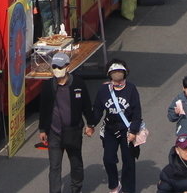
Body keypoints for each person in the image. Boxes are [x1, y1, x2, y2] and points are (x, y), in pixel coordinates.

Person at [39, 52, 95, 193]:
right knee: (54, 166)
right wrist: (42, 130)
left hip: (73, 132)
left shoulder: (78, 83)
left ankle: (76, 188)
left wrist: (90, 124)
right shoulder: (48, 85)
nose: (57, 69)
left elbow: (86, 105)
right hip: (54, 133)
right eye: (54, 66)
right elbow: (44, 108)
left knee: (76, 163)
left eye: (60, 66)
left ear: (68, 67)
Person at [95, 60, 143, 193]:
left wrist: (133, 130)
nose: (117, 74)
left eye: (119, 71)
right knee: (108, 159)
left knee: (128, 162)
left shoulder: (131, 88)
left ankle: (128, 189)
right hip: (110, 129)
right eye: (114, 72)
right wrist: (91, 123)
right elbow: (98, 109)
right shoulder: (104, 90)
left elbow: (137, 112)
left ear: (125, 72)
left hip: (127, 130)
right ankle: (114, 185)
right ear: (109, 73)